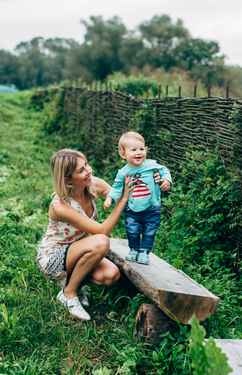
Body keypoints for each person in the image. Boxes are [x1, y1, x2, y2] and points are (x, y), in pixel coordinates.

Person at [37, 149, 135, 321]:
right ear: (67, 180)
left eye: (86, 165)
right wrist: (124, 199)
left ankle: (74, 284)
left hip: (78, 252)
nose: (89, 170)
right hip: (53, 259)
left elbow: (121, 196)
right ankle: (69, 293)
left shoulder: (92, 184)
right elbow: (103, 231)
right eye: (81, 170)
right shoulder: (60, 206)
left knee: (111, 275)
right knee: (101, 241)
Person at [104, 131, 172, 265]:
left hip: (152, 208)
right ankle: (134, 249)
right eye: (134, 150)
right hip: (132, 209)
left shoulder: (151, 165)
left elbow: (165, 170)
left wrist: (166, 180)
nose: (139, 152)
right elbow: (117, 187)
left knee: (150, 231)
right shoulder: (123, 172)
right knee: (132, 230)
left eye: (142, 149)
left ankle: (144, 252)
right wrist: (109, 198)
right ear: (123, 154)